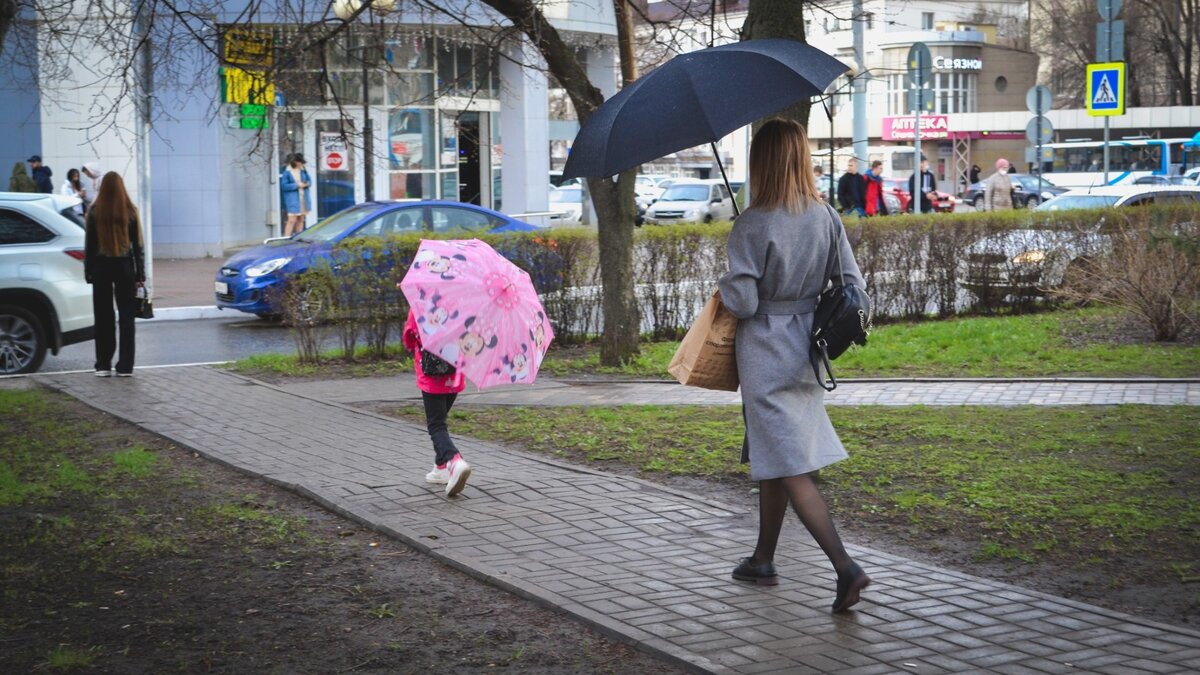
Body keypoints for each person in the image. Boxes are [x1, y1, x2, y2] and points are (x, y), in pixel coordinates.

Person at [717, 118, 871, 613]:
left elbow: (742, 303)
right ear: (801, 158)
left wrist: (728, 278)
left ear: (761, 162)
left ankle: (845, 567)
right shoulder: (825, 216)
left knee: (789, 464)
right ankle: (763, 558)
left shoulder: (753, 222)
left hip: (765, 350)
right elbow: (853, 285)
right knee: (776, 453)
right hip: (808, 347)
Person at [402, 308, 472, 497]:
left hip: (432, 378)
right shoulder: (461, 305)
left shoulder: (420, 306)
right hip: (454, 376)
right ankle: (440, 467)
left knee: (436, 426)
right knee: (441, 420)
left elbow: (409, 338)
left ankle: (454, 461)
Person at [84, 171, 145, 378]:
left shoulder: (94, 212)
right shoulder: (130, 211)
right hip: (124, 266)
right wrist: (140, 274)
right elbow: (138, 246)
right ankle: (126, 366)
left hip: (101, 267)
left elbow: (90, 245)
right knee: (127, 316)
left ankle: (103, 364)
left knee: (103, 316)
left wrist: (88, 271)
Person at [281, 153, 312, 237]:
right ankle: (286, 238)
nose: (301, 164)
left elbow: (309, 181)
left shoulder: (303, 170)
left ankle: (299, 237)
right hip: (293, 199)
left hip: (303, 198)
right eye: (300, 162)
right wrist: (297, 185)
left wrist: (306, 184)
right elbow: (284, 186)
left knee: (301, 219)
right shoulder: (287, 172)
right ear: (295, 162)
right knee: (292, 220)